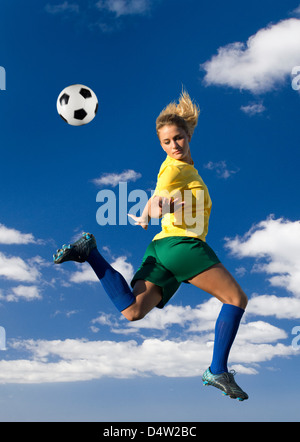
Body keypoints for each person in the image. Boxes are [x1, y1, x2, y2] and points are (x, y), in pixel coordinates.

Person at [53, 91, 248, 401]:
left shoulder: (182, 169)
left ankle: (90, 253)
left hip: (158, 249)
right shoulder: (174, 169)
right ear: (162, 145)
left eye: (178, 138)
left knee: (132, 311)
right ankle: (217, 369)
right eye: (166, 142)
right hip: (183, 245)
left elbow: (156, 200)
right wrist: (156, 209)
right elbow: (160, 198)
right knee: (236, 298)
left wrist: (148, 214)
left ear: (187, 135)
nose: (173, 146)